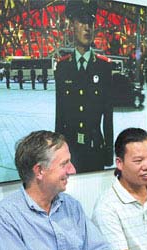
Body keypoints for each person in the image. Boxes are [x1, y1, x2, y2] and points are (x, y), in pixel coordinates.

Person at [0, 130, 146, 250]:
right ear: (39, 171)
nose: (73, 170)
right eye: (65, 164)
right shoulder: (5, 215)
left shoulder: (71, 205)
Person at [55, 0, 114, 173]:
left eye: (91, 23)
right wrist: (58, 149)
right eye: (82, 22)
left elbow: (108, 115)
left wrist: (108, 150)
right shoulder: (63, 67)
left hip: (95, 147)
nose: (87, 27)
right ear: (72, 25)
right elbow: (59, 113)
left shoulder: (104, 67)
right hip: (70, 149)